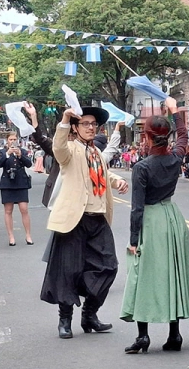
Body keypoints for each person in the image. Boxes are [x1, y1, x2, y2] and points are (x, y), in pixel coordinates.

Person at [41, 105, 129, 339]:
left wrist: (117, 180)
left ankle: (90, 314)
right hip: (74, 219)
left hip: (98, 218)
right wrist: (64, 120)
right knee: (68, 270)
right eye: (85, 124)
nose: (91, 128)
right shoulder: (70, 149)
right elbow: (58, 149)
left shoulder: (96, 153)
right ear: (76, 127)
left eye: (94, 125)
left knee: (109, 266)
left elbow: (101, 173)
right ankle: (65, 320)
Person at [121, 97, 189, 354]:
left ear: (147, 137)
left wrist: (133, 240)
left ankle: (143, 336)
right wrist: (176, 111)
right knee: (172, 273)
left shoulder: (142, 168)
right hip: (171, 218)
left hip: (152, 221)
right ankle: (174, 334)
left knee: (143, 274)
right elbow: (184, 138)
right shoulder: (175, 159)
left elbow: (137, 208)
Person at [0, 133, 33, 246]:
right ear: (7, 140)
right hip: (7, 183)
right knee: (8, 210)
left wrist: (20, 155)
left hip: (21, 182)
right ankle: (11, 237)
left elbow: (28, 164)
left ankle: (28, 235)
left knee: (24, 209)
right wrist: (7, 153)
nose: (13, 141)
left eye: (14, 139)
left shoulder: (22, 150)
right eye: (10, 139)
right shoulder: (3, 152)